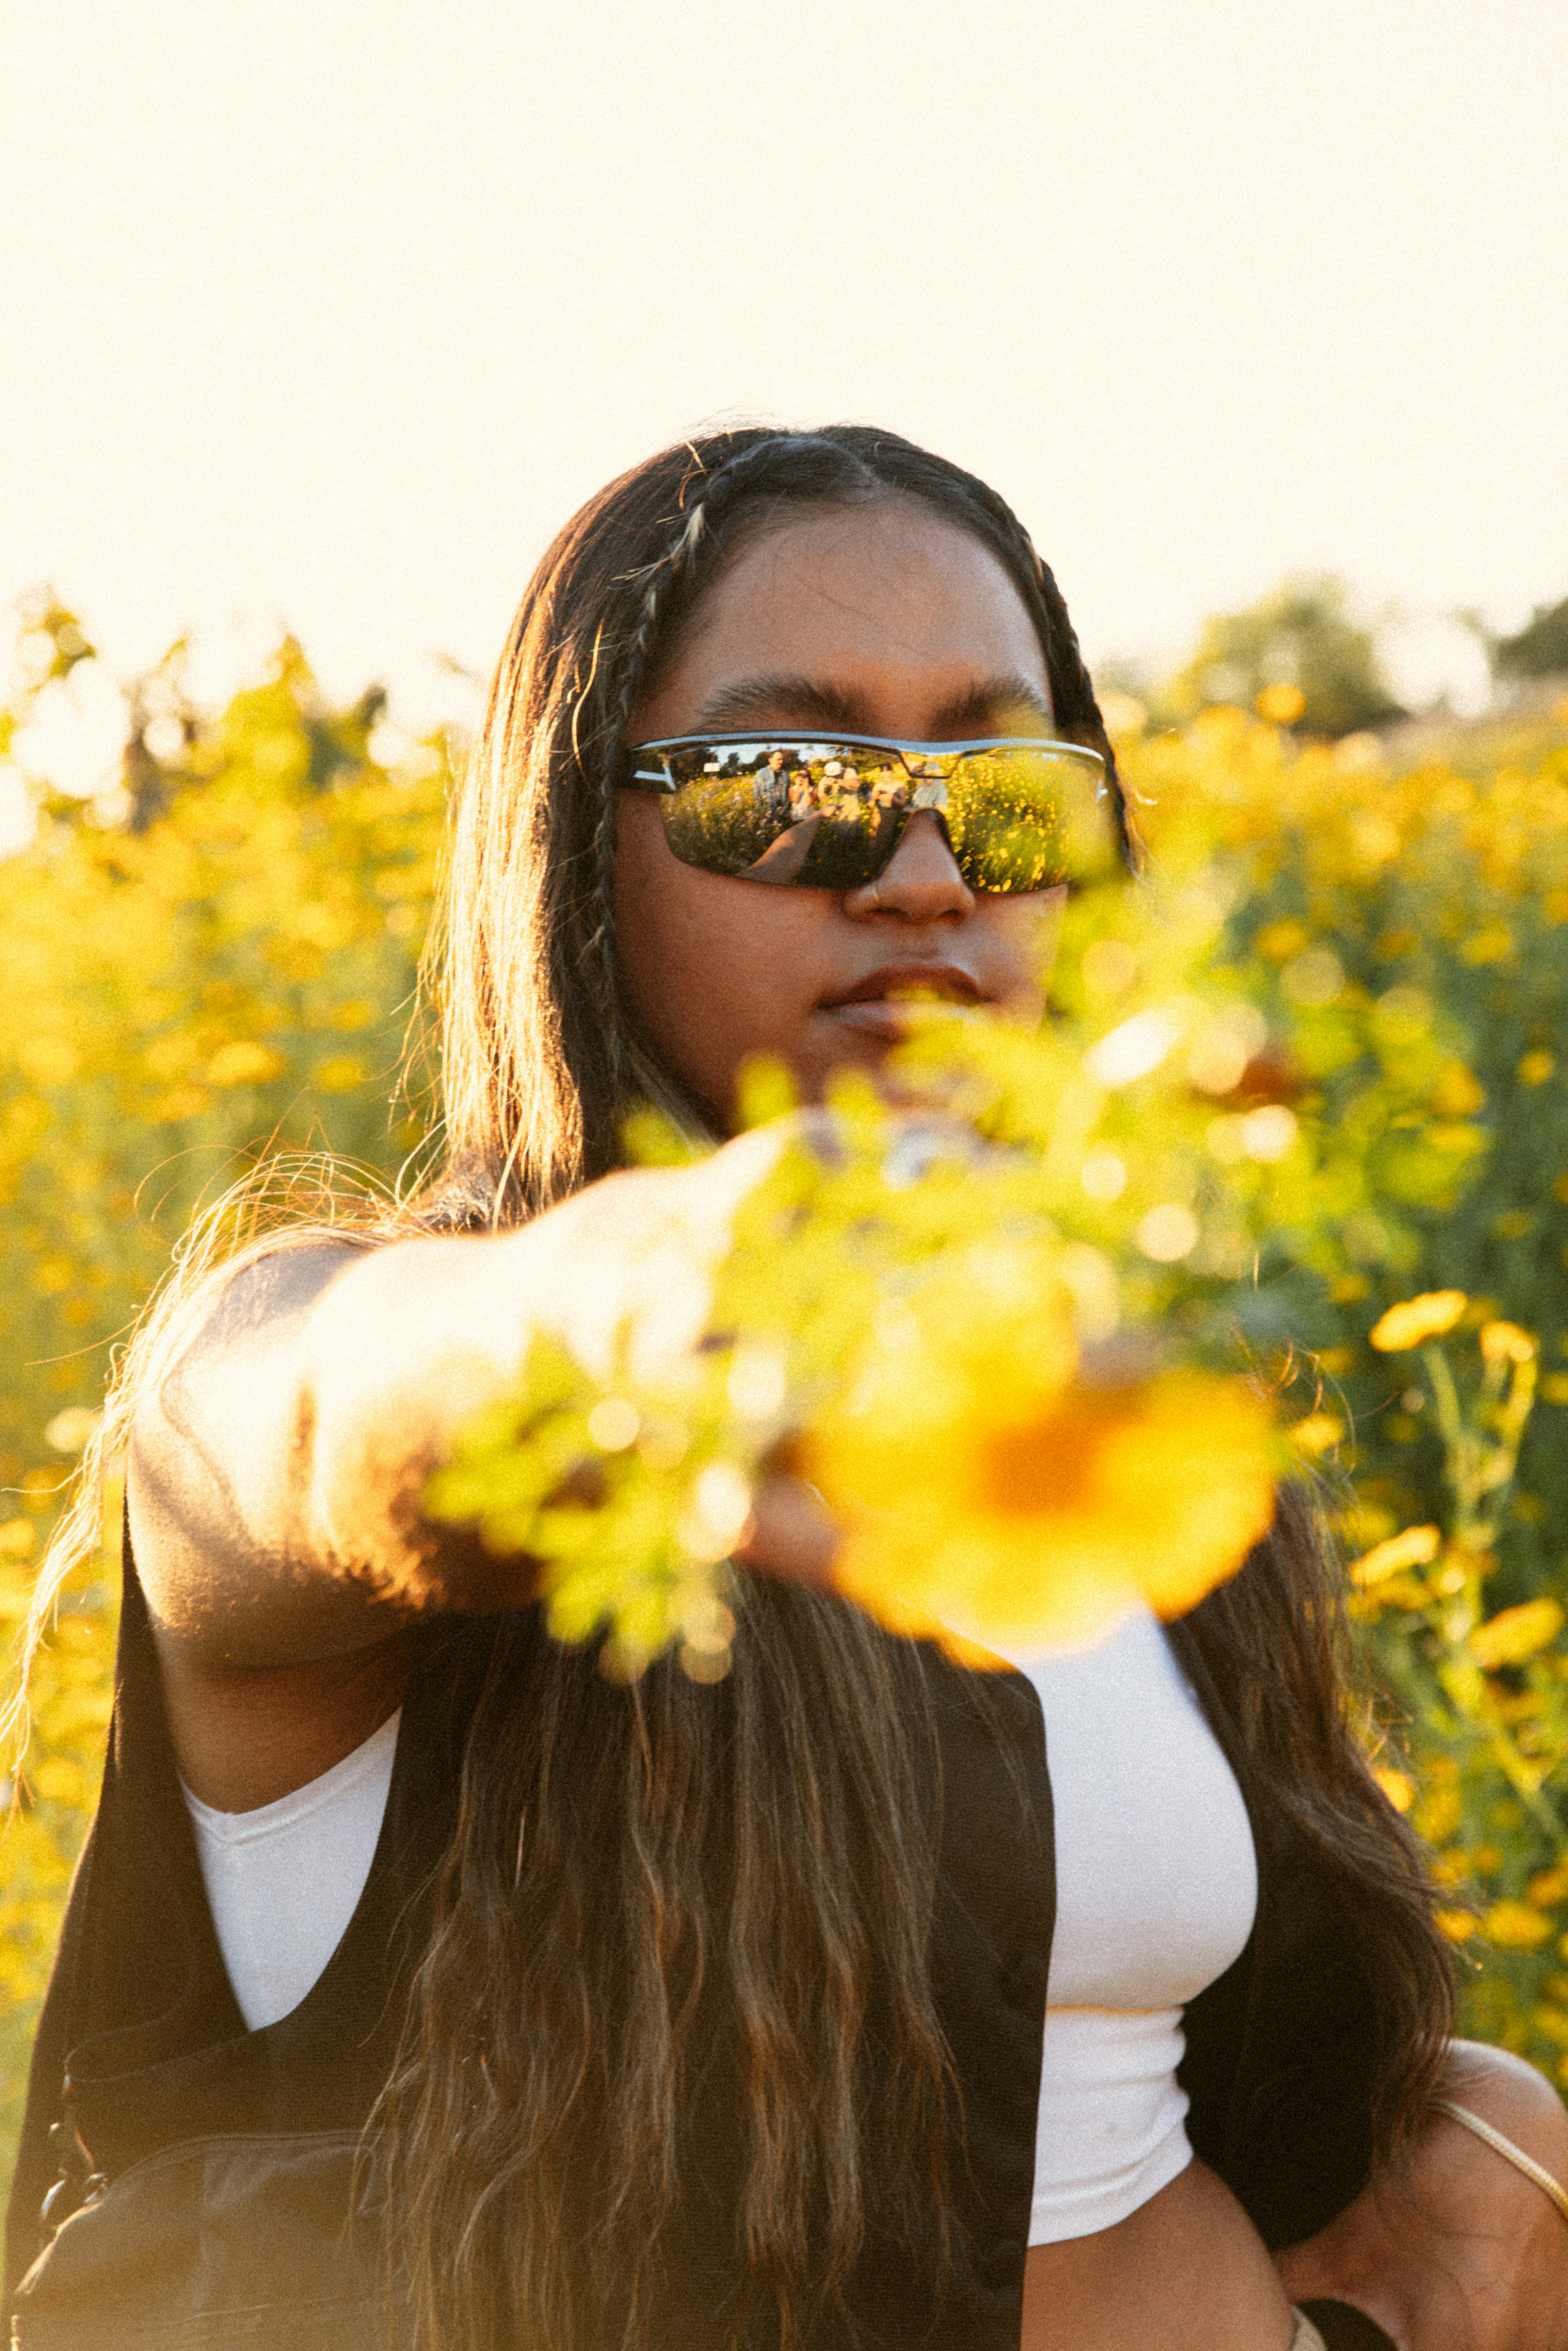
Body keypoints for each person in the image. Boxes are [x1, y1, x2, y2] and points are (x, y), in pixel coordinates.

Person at [7, 426, 1568, 2351]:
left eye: (1004, 797)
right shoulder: (361, 1340)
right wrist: (635, 1312)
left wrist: (1476, 2157)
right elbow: (323, 1416)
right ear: (578, 842)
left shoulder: (1107, 1398)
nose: (921, 874)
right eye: (785, 788)